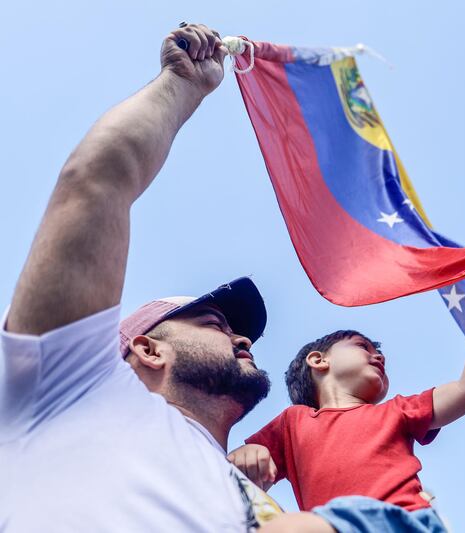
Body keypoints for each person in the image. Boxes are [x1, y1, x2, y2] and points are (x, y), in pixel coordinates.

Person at [0, 23, 299, 532]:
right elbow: (96, 181)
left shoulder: (254, 503)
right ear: (146, 349)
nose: (243, 336)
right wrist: (181, 86)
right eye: (214, 324)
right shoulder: (74, 388)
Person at [229, 250, 465, 532]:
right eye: (363, 347)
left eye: (379, 354)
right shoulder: (292, 423)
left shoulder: (397, 411)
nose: (379, 357)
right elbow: (238, 467)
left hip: (402, 520)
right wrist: (249, 453)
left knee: (290, 528)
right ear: (319, 360)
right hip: (337, 524)